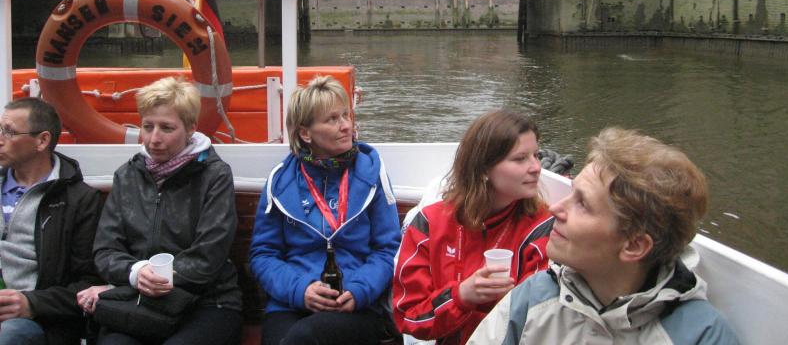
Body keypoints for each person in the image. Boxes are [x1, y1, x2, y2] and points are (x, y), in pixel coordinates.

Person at [467, 127, 741, 345]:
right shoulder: (533, 298)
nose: (556, 209)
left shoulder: (701, 336)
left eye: (583, 204)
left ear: (634, 245)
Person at [79, 77, 242, 344]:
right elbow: (106, 249)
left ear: (191, 128)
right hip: (140, 299)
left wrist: (155, 278)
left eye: (167, 128)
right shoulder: (127, 176)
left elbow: (209, 255)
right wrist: (136, 272)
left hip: (208, 301)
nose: (154, 138)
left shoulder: (214, 175)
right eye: (148, 126)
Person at [250, 75, 401, 345]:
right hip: (291, 302)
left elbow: (388, 249)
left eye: (346, 115)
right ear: (305, 133)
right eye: (332, 119)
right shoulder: (280, 182)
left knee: (305, 337)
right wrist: (301, 290)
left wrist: (359, 290)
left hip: (356, 305)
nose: (346, 126)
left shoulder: (372, 175)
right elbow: (263, 255)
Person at [393, 110, 553, 345]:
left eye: (536, 155)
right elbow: (409, 316)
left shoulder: (543, 227)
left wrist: (504, 301)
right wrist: (461, 296)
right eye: (520, 159)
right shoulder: (430, 223)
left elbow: (537, 322)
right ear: (484, 168)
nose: (536, 167)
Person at [0, 97, 102, 345]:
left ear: (42, 140)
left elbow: (90, 284)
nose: (0, 139)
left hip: (33, 320)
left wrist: (32, 303)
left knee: (9, 335)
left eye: (9, 132)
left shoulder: (79, 200)